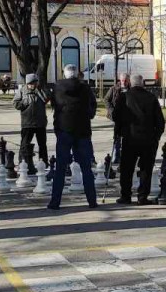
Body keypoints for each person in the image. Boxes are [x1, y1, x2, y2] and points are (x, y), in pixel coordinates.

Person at [47, 65, 98, 209]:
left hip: (64, 130)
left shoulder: (58, 87)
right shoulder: (85, 88)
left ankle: (55, 202)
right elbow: (92, 108)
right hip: (83, 131)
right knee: (86, 168)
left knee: (60, 168)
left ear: (64, 74)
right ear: (77, 74)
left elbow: (54, 106)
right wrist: (86, 115)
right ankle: (92, 201)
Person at [113, 74, 165, 205]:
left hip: (130, 138)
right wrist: (156, 137)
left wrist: (118, 133)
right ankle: (142, 197)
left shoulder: (124, 97)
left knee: (127, 168)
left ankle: (125, 195)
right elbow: (160, 122)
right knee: (146, 169)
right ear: (142, 83)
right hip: (148, 139)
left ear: (130, 83)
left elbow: (115, 116)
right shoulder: (151, 97)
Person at [13, 73, 49, 167]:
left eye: (35, 83)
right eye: (31, 83)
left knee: (42, 144)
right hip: (27, 123)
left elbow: (46, 99)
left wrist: (41, 91)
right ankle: (22, 161)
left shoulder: (40, 90)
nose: (33, 85)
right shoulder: (22, 91)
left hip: (40, 122)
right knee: (24, 144)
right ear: (27, 83)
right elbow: (15, 103)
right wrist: (25, 102)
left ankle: (44, 162)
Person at [105, 71, 131, 168]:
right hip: (117, 116)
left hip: (128, 117)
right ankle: (117, 155)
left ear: (128, 80)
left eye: (125, 80)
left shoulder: (131, 89)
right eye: (122, 80)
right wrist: (112, 111)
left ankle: (126, 155)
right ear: (120, 80)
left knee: (127, 137)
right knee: (117, 136)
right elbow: (106, 100)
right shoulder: (114, 88)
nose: (124, 82)